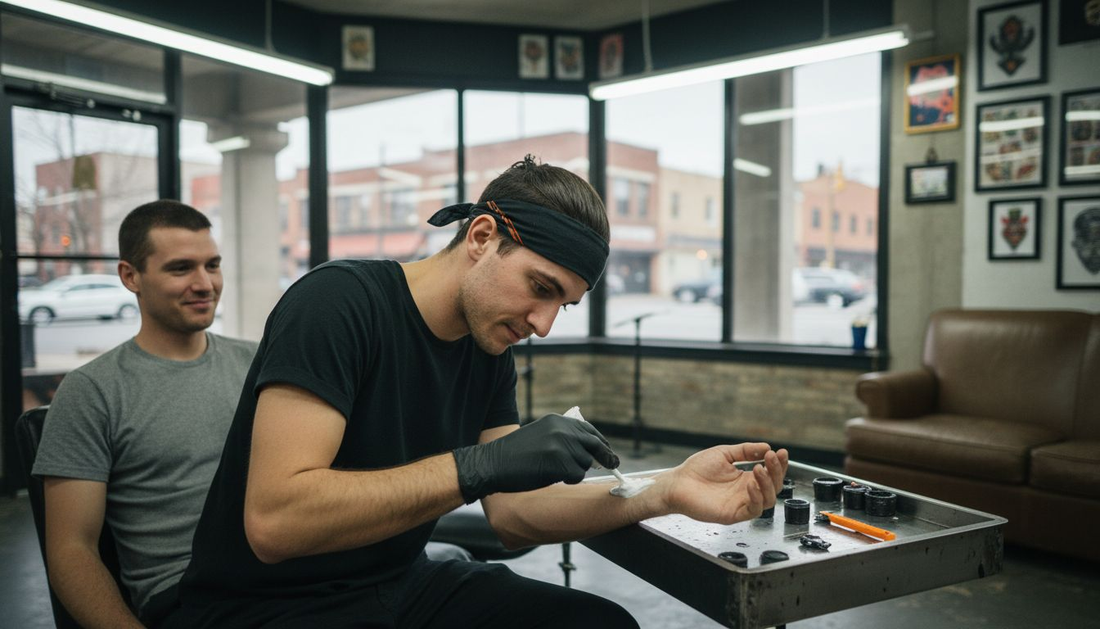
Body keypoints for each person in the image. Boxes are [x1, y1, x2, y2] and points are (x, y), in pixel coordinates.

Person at [165, 157, 789, 628]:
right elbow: (276, 522)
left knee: (602, 624)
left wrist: (667, 488)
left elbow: (514, 517)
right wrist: (482, 465)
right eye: (540, 287)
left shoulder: (488, 346)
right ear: (482, 237)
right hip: (263, 607)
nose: (543, 323)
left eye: (563, 305)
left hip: (396, 585)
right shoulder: (338, 303)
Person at [32, 200, 258, 628]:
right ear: (130, 276)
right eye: (181, 269)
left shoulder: (257, 363)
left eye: (212, 265)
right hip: (193, 597)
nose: (205, 283)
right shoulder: (92, 391)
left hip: (296, 574)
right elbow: (70, 550)